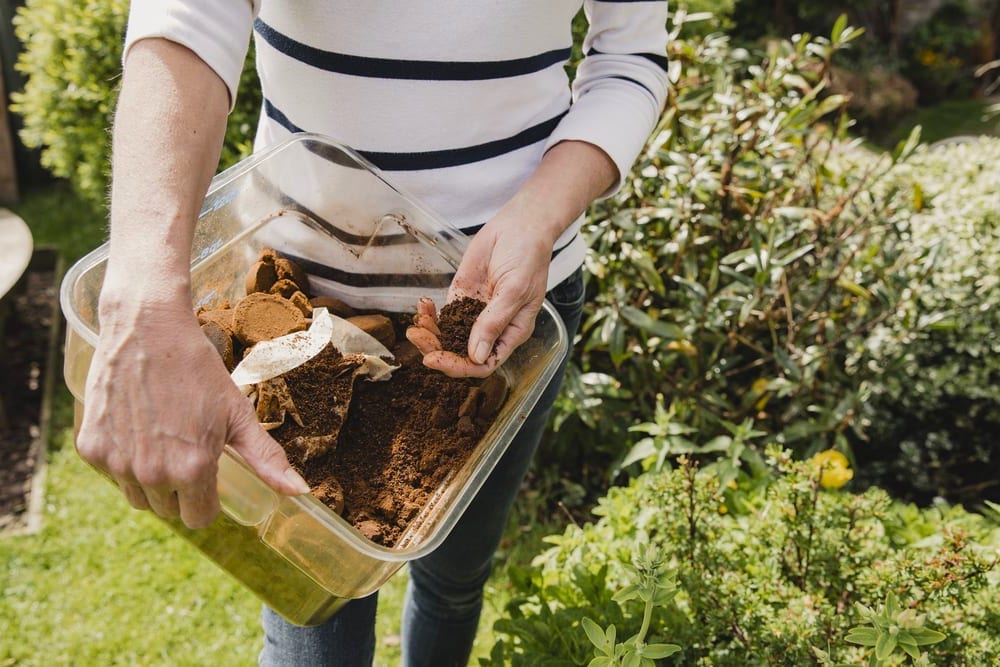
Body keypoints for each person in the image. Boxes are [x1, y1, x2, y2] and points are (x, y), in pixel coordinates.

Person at [75, 1, 669, 665]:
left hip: (502, 317)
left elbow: (630, 55)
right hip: (296, 315)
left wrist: (539, 215)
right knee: (313, 629)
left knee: (453, 577)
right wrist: (144, 304)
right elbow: (187, 17)